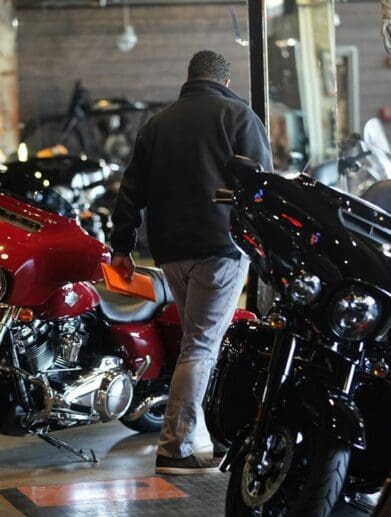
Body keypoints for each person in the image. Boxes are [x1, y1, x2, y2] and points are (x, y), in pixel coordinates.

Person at [110, 49, 273, 475]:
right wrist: (267, 245)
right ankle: (174, 447)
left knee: (194, 345)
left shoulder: (158, 124)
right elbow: (262, 187)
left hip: (170, 253)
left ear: (190, 76)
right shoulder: (239, 117)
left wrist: (121, 246)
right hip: (220, 247)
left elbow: (131, 191)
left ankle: (201, 437)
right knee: (201, 346)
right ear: (226, 80)